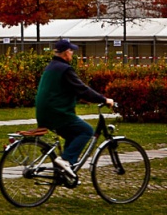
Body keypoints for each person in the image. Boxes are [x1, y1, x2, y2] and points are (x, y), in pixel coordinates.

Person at [35, 39, 114, 178]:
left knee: (73, 134)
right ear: (66, 53)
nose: (72, 53)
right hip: (58, 113)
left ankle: (64, 170)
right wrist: (104, 99)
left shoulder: (51, 67)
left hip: (45, 112)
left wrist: (80, 98)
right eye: (71, 51)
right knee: (86, 131)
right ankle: (65, 161)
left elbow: (62, 89)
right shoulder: (65, 69)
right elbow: (82, 89)